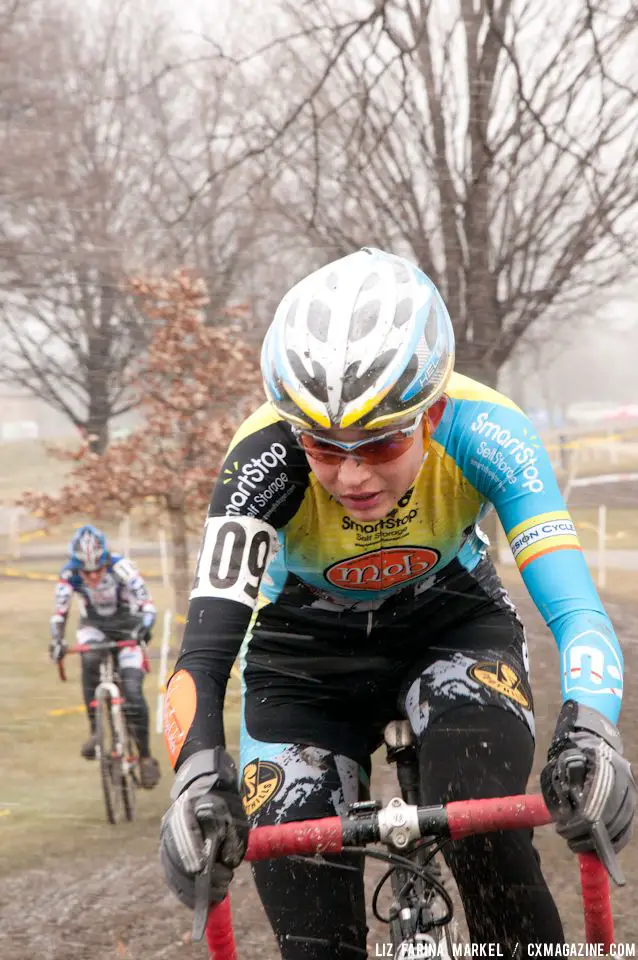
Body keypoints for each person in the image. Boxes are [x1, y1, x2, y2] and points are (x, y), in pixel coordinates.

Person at [159, 248, 635, 955]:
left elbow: (575, 611)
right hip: (302, 657)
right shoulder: (260, 458)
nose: (351, 474)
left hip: (450, 627)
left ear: (433, 412)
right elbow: (202, 655)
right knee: (310, 913)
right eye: (322, 445)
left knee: (487, 834)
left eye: (379, 442)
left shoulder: (488, 430)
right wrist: (196, 774)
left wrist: (593, 729)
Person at [49, 523, 161, 789]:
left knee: (133, 692)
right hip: (94, 627)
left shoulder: (123, 568)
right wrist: (57, 639)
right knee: (88, 661)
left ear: (106, 561)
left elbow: (148, 606)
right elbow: (60, 612)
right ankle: (95, 732)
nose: (94, 577)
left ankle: (145, 757)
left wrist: (144, 629)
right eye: (87, 573)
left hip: (128, 626)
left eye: (99, 570)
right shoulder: (68, 574)